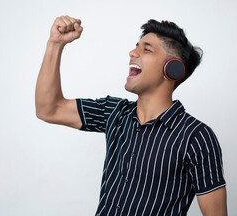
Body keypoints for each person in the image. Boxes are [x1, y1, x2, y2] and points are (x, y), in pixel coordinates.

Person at [35, 15, 227, 216]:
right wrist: (55, 44)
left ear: (172, 68)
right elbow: (49, 109)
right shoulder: (115, 113)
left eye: (146, 49)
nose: (132, 52)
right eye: (136, 46)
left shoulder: (196, 137)